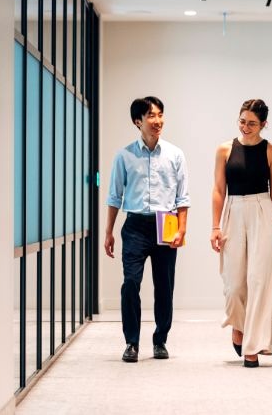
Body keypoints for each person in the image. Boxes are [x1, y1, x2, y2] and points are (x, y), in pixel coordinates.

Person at [210, 99, 272, 368]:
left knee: (260, 280)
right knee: (234, 283)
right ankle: (238, 325)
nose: (246, 127)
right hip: (233, 211)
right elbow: (218, 190)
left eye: (252, 123)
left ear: (264, 124)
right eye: (242, 121)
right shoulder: (225, 149)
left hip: (263, 212)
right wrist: (215, 227)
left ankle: (253, 346)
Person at [105, 96, 190, 363]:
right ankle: (132, 342)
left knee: (165, 286)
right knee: (130, 283)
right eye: (151, 116)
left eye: (160, 114)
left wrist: (182, 230)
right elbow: (114, 197)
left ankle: (160, 340)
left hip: (167, 222)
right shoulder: (125, 155)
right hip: (135, 226)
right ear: (137, 121)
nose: (158, 121)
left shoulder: (175, 154)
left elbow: (183, 198)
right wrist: (108, 232)